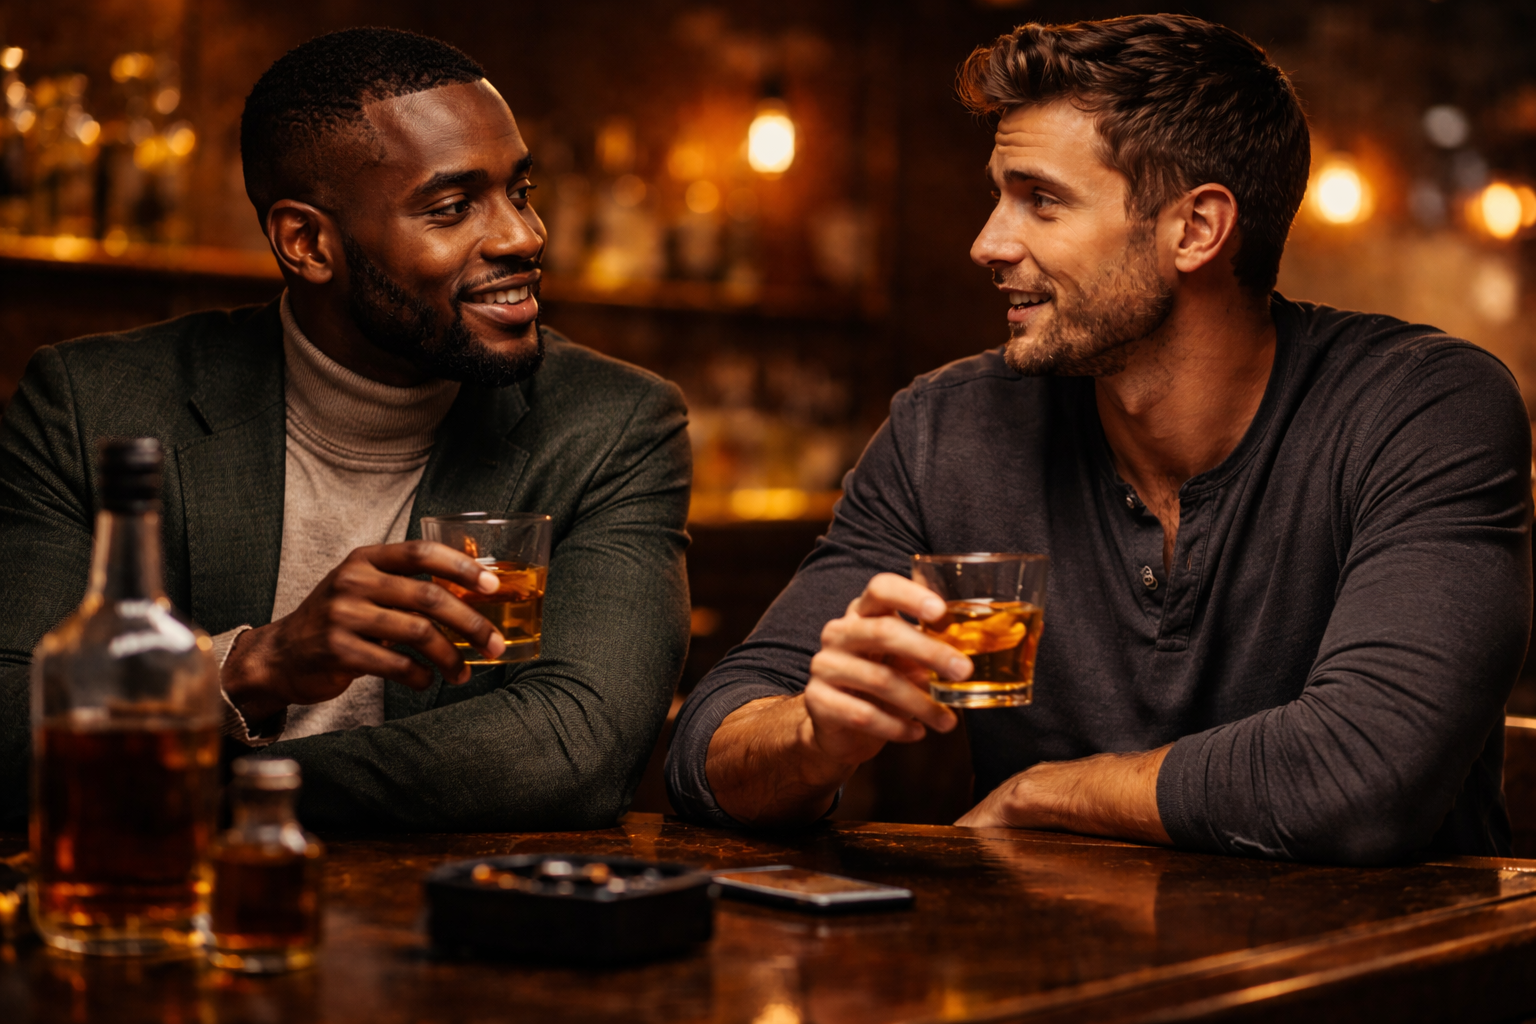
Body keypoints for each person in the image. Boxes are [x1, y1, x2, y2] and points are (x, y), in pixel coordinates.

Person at [666, 14, 1532, 863]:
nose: (986, 243)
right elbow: (708, 746)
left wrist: (1045, 793)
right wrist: (816, 733)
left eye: (1040, 200)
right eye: (998, 196)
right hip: (1070, 982)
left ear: (1195, 230)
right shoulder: (951, 427)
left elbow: (1366, 774)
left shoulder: (1423, 408)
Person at [0, 28, 692, 832]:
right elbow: (11, 722)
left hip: (451, 930)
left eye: (520, 191)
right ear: (308, 243)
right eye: (452, 206)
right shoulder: (92, 403)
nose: (522, 236)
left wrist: (198, 790)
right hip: (159, 917)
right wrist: (251, 666)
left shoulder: (613, 421)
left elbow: (577, 746)